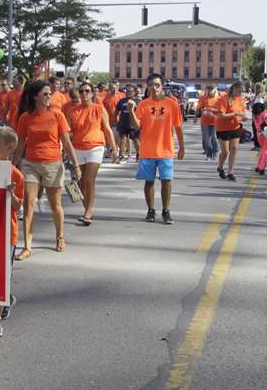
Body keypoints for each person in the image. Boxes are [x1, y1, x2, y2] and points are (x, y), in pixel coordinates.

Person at [13, 80, 79, 256]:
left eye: (50, 93)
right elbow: (20, 145)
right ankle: (27, 247)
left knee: (55, 205)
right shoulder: (25, 117)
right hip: (30, 164)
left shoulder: (58, 115)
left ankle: (60, 237)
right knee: (28, 205)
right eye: (45, 93)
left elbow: (66, 142)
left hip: (53, 163)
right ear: (35, 96)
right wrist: (11, 166)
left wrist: (75, 164)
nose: (49, 96)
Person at [128, 73, 184, 224]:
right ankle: (151, 210)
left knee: (166, 180)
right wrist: (131, 110)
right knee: (149, 182)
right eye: (151, 85)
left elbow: (178, 127)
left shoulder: (172, 103)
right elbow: (136, 125)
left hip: (165, 149)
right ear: (148, 86)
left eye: (157, 85)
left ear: (162, 86)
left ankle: (166, 210)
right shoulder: (143, 104)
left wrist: (181, 147)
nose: (154, 88)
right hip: (147, 150)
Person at [0, 126, 25, 338]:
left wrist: (11, 194)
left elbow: (19, 207)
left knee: (1, 274)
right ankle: (6, 297)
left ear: (10, 147)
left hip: (6, 232)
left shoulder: (15, 175)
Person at [64, 81, 119, 225]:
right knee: (81, 181)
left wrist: (113, 149)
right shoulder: (72, 111)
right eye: (81, 91)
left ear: (92, 93)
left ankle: (88, 212)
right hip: (77, 148)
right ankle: (87, 209)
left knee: (89, 180)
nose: (84, 94)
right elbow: (68, 133)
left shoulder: (99, 109)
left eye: (87, 91)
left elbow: (107, 129)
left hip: (95, 147)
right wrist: (64, 149)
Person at [215, 81, 247, 181]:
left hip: (235, 127)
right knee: (225, 151)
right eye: (239, 91)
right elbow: (220, 115)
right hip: (223, 128)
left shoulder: (240, 100)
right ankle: (220, 167)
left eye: (241, 92)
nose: (240, 93)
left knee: (234, 149)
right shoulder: (224, 99)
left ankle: (230, 172)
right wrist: (234, 114)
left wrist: (243, 117)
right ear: (233, 89)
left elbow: (242, 112)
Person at [197, 84, 221, 160]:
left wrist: (212, 110)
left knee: (214, 138)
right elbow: (199, 108)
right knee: (206, 139)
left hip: (215, 121)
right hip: (205, 121)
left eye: (211, 90)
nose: (209, 92)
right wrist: (202, 111)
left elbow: (221, 110)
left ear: (215, 90)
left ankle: (215, 152)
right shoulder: (203, 98)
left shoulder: (219, 99)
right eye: (208, 90)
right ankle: (208, 155)